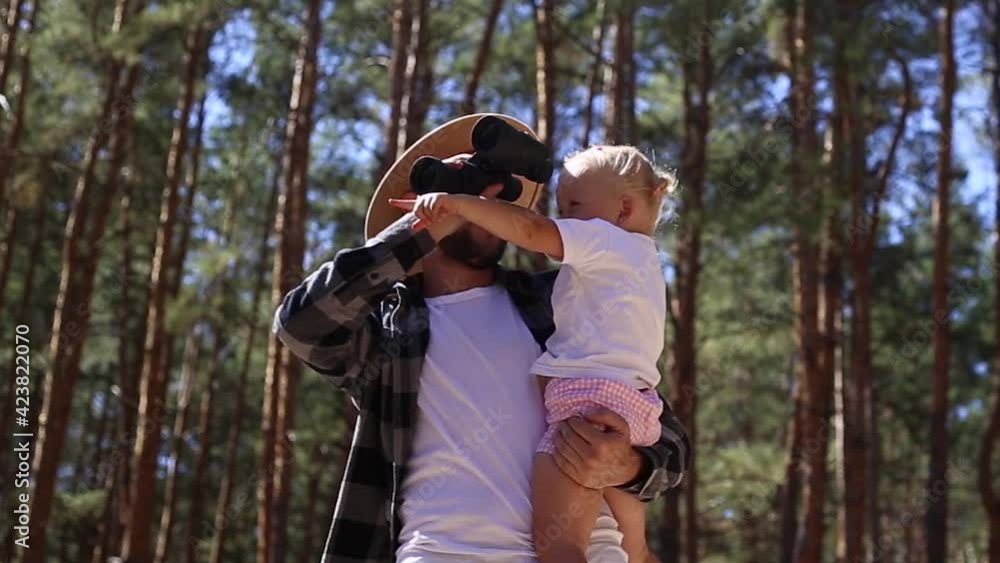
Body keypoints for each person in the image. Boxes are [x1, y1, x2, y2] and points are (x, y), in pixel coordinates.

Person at [272, 114, 689, 563]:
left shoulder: (561, 305)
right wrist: (426, 226)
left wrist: (628, 464)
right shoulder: (387, 335)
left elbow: (670, 444)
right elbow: (301, 323)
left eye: (493, 189)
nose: (483, 199)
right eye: (462, 185)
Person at [389, 145, 672, 563]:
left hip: (585, 405)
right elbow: (299, 318)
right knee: (635, 547)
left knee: (558, 547)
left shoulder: (587, 258)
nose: (563, 218)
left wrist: (456, 203)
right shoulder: (632, 269)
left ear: (623, 210)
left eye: (573, 206)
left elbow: (531, 231)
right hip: (633, 402)